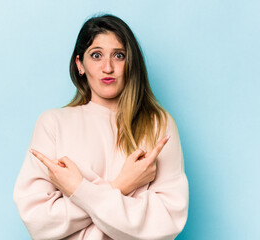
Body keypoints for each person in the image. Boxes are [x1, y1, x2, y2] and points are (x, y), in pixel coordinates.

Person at [13, 14, 189, 240]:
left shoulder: (157, 124)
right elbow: (39, 220)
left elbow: (165, 222)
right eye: (96, 55)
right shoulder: (53, 124)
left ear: (131, 62)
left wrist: (78, 190)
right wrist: (121, 186)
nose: (108, 67)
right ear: (80, 64)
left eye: (119, 55)